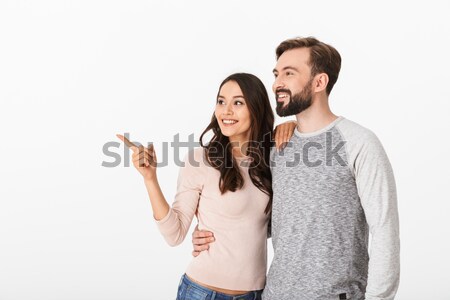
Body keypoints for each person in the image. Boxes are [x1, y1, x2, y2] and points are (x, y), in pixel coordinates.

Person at [192, 37, 400, 300]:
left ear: (319, 82)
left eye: (289, 73)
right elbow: (262, 222)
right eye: (277, 74)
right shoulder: (276, 147)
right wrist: (211, 233)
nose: (278, 82)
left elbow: (385, 231)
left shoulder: (359, 143)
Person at [118, 73, 295, 300]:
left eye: (238, 103)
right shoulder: (200, 160)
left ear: (257, 108)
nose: (226, 111)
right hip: (203, 293)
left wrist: (293, 124)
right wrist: (150, 178)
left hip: (257, 294)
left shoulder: (271, 160)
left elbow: (264, 226)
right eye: (221, 101)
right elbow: (175, 234)